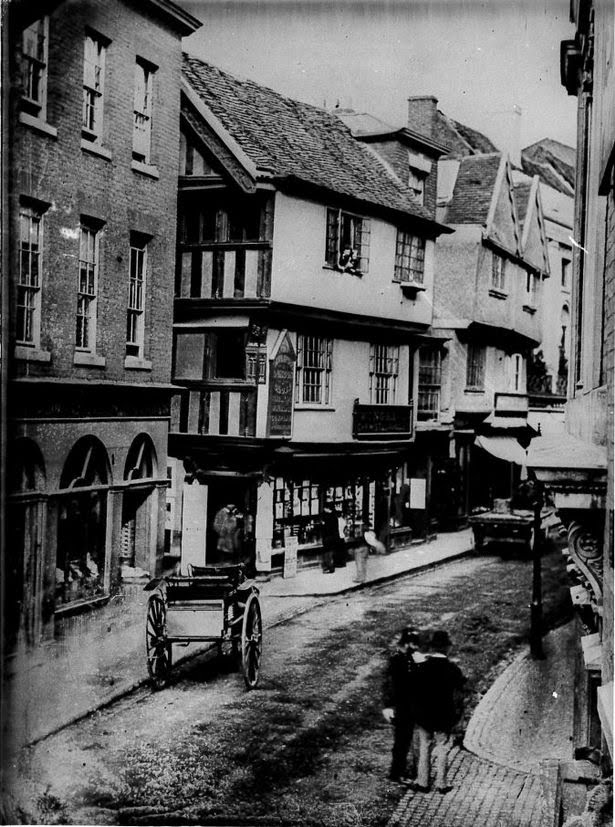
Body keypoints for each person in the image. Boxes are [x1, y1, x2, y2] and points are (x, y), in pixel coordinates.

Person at [410, 629, 466, 794]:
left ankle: (423, 783)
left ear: (432, 648)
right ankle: (442, 784)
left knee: (424, 746)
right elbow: (460, 694)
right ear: (448, 648)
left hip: (425, 715)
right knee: (442, 748)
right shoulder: (453, 669)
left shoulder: (421, 667)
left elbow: (414, 692)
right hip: (444, 716)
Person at [382, 627, 423, 784]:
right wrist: (389, 706)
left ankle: (414, 771)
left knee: (416, 740)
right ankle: (396, 772)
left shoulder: (417, 659)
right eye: (412, 644)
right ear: (405, 644)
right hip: (402, 706)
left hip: (415, 705)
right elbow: (389, 686)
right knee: (402, 741)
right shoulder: (396, 660)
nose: (415, 647)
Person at [320, 502, 339, 573]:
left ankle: (330, 567)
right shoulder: (334, 516)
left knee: (328, 553)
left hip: (329, 537)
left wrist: (323, 524)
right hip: (332, 537)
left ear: (328, 508)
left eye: (325, 508)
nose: (324, 509)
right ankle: (329, 566)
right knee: (329, 553)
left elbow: (328, 528)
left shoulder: (329, 517)